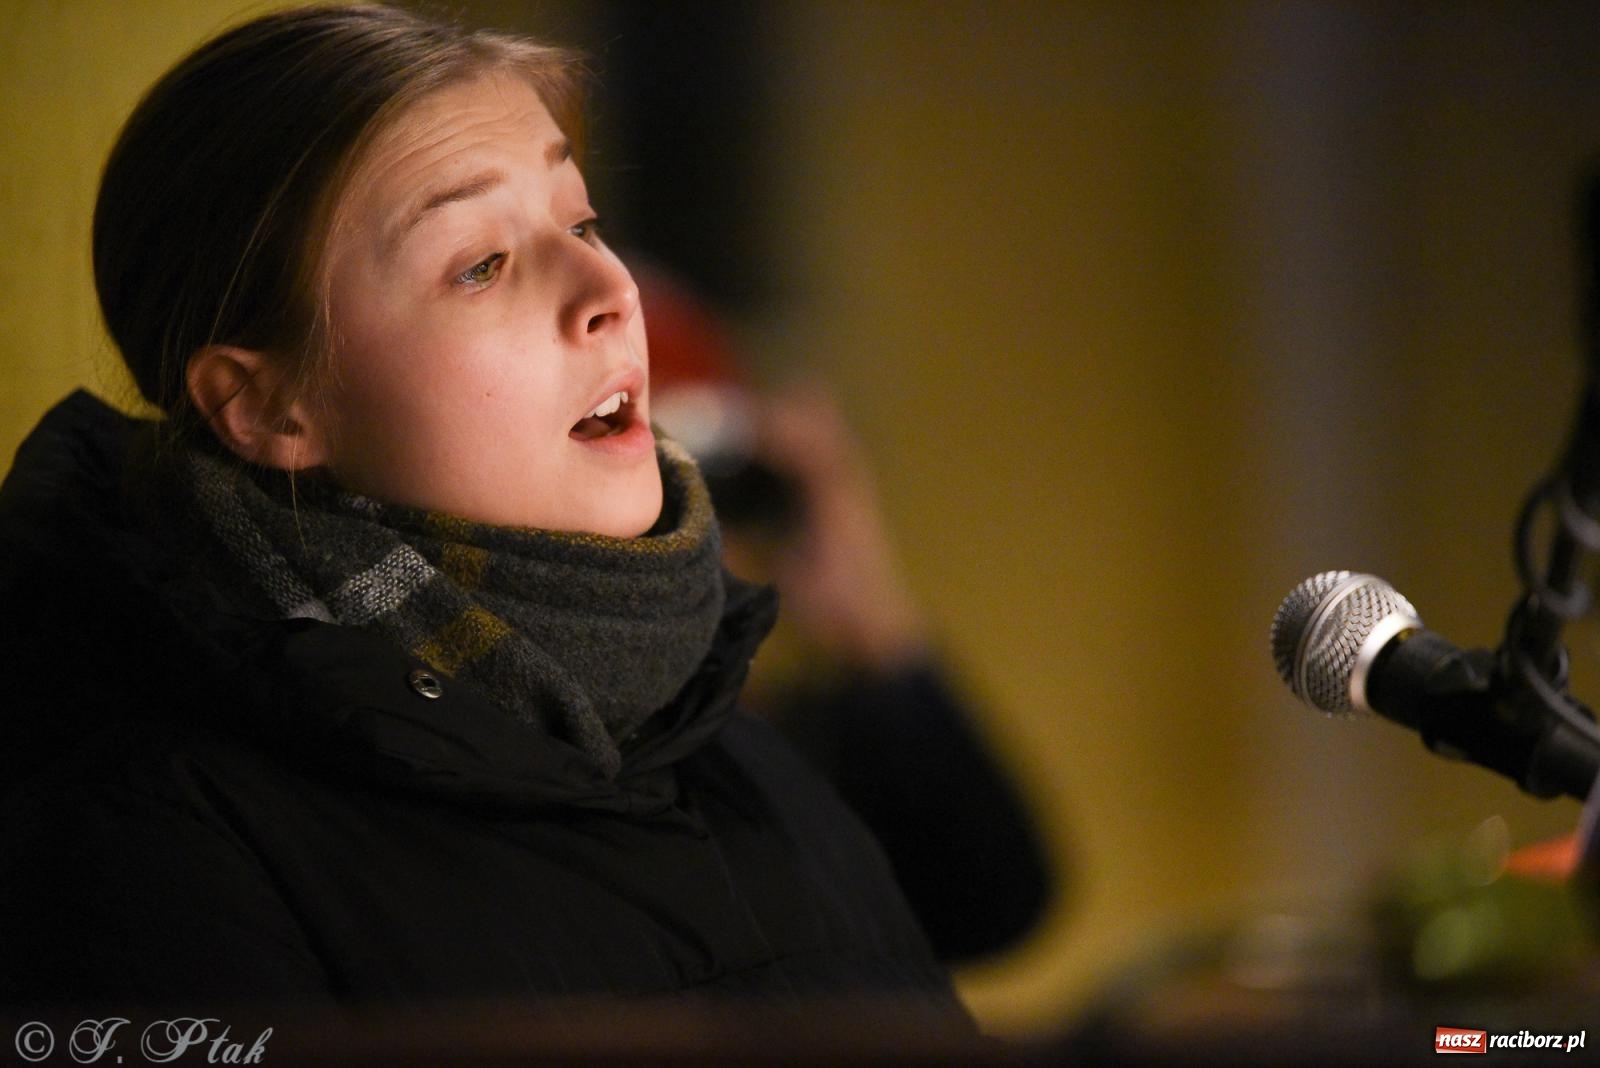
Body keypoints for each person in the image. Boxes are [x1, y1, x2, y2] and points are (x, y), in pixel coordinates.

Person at [0, 3, 965, 1016]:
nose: (609, 287)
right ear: (266, 407)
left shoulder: (724, 734)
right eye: (481, 264)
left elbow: (993, 892)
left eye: (582, 220)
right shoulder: (150, 846)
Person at [641, 266, 1056, 963]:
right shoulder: (552, 745)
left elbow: (992, 903)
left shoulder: (789, 738)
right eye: (663, 494)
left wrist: (868, 617)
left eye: (716, 489)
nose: (702, 539)